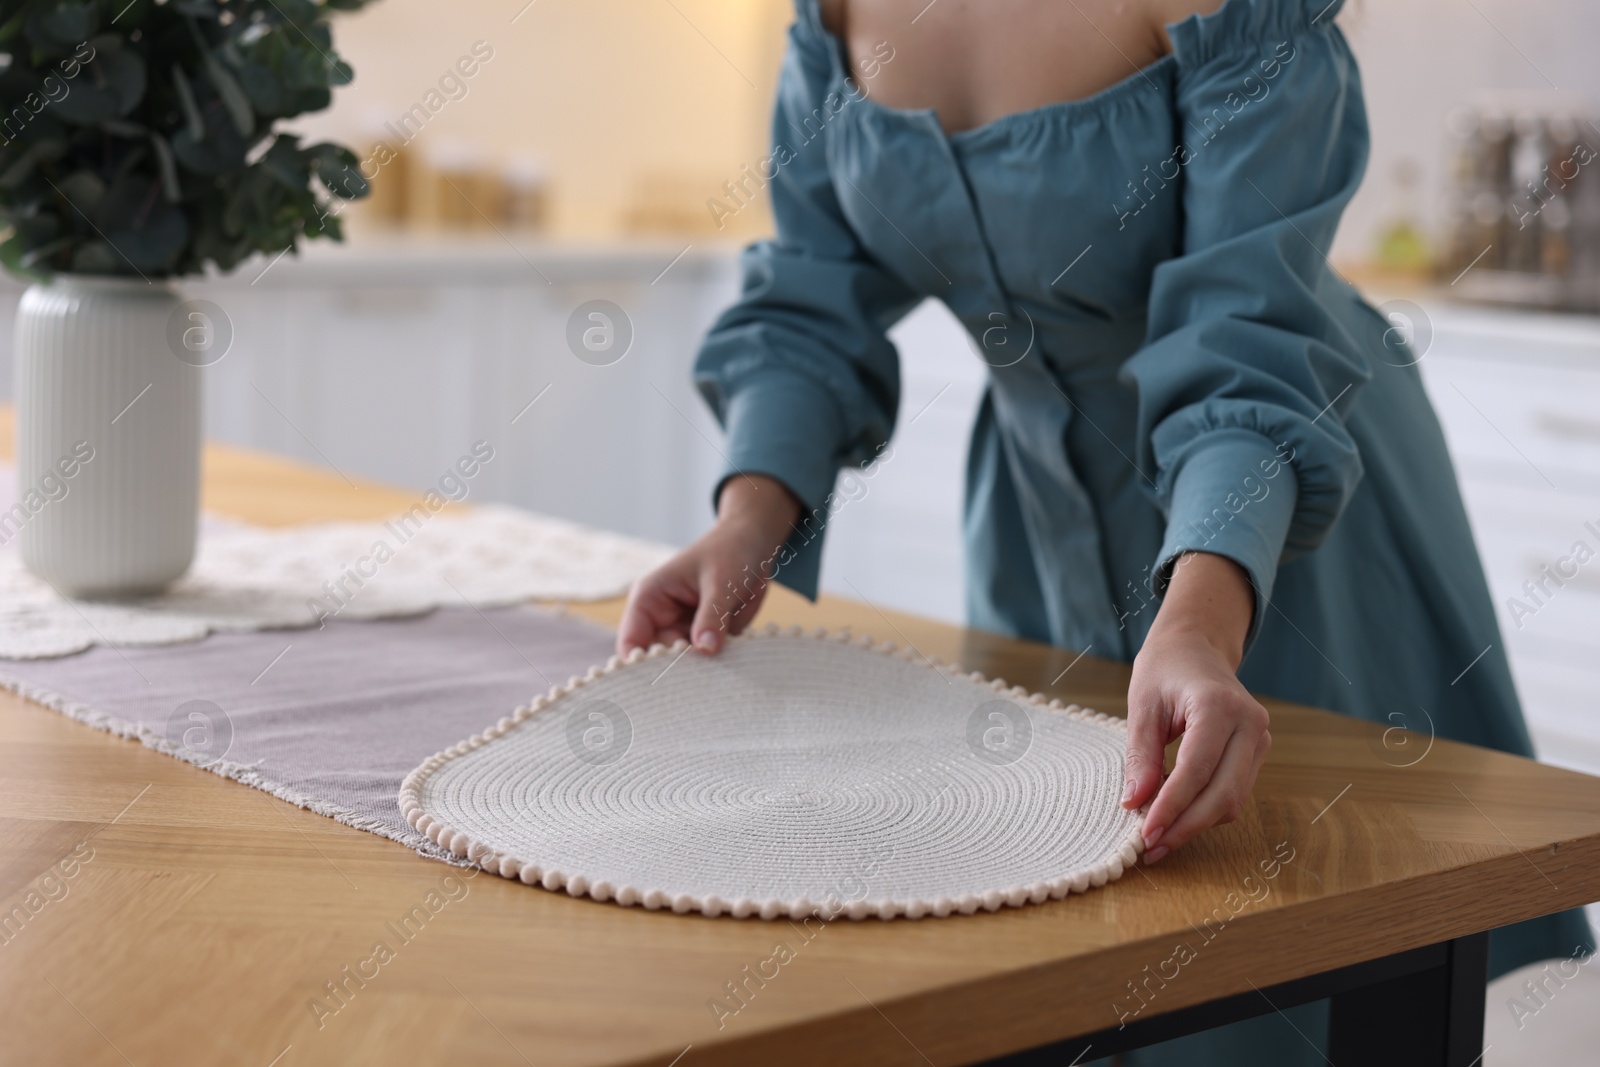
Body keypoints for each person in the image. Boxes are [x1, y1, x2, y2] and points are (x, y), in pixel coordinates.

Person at [618, 0, 1593, 1060]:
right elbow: (814, 292)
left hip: (1275, 520)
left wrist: (1199, 630)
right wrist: (746, 519)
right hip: (1039, 522)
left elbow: (1248, 341)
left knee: (1273, 983)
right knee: (1056, 967)